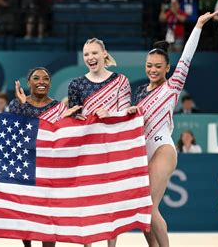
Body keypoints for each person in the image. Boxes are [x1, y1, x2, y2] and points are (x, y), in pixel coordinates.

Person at [129, 11, 218, 247]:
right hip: (143, 151)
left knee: (149, 205)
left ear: (167, 68)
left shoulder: (172, 86)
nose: (153, 70)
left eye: (158, 66)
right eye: (149, 66)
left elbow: (187, 57)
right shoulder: (139, 94)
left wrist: (198, 25)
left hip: (162, 147)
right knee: (143, 210)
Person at [67, 37, 131, 247]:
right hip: (88, 150)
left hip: (114, 147)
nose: (90, 57)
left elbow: (126, 113)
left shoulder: (120, 80)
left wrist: (110, 113)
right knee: (89, 202)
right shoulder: (76, 84)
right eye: (86, 54)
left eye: (94, 53)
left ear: (104, 54)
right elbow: (73, 120)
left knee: (111, 201)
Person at [9, 67, 70, 247]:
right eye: (36, 78)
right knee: (25, 215)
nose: (41, 82)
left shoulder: (59, 107)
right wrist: (23, 105)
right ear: (28, 83)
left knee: (48, 217)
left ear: (50, 83)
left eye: (45, 79)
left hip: (49, 170)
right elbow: (15, 131)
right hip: (24, 167)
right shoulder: (16, 104)